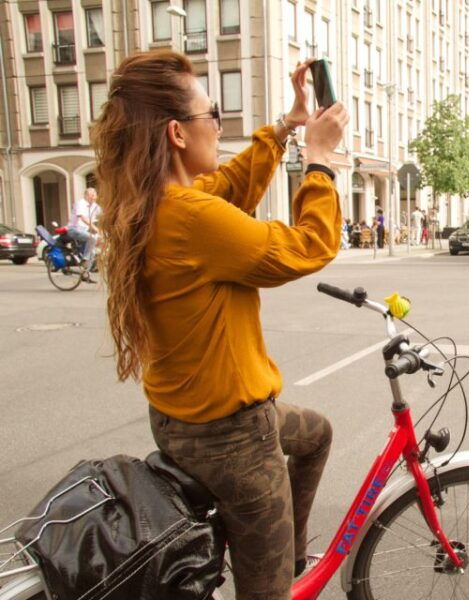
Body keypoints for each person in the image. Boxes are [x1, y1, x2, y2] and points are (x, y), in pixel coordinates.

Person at [91, 50, 348, 600]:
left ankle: (288, 549)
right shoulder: (191, 218)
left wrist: (287, 126)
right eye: (213, 115)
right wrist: (320, 161)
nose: (219, 125)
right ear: (178, 134)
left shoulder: (153, 203)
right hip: (235, 443)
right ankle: (275, 565)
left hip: (180, 423)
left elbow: (229, 185)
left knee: (317, 433)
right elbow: (308, 246)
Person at [66, 187, 100, 276]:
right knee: (92, 238)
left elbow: (104, 215)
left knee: (93, 250)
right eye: (91, 195)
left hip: (85, 230)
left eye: (95, 195)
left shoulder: (95, 206)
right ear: (86, 196)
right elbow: (83, 218)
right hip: (74, 229)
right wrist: (95, 228)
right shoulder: (80, 203)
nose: (94, 197)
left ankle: (84, 273)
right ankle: (84, 259)